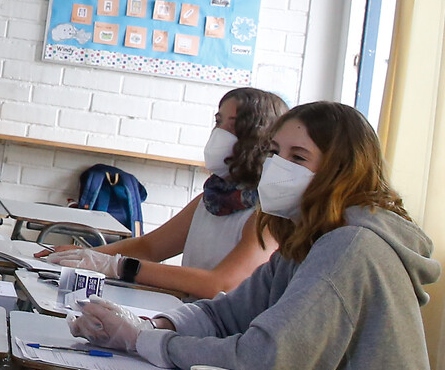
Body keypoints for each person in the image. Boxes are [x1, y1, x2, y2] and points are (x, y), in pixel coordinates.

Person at [69, 101, 439, 370]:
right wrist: (154, 325)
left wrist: (140, 342)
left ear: (341, 171)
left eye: (298, 158)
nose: (280, 167)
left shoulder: (351, 249)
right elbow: (228, 312)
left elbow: (259, 366)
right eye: (276, 153)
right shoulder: (314, 236)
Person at [39, 87, 287, 299]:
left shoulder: (266, 214)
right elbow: (149, 247)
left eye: (232, 127)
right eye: (218, 122)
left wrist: (120, 266)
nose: (218, 133)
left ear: (259, 139)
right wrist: (84, 255)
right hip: (189, 318)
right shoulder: (210, 199)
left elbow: (221, 285)